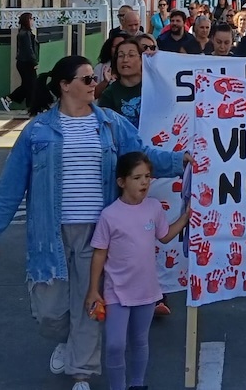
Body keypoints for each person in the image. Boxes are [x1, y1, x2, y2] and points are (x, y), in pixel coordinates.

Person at [0, 56, 188, 390]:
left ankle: (81, 373)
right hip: (51, 233)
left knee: (89, 303)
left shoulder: (110, 124)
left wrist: (180, 160)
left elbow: (143, 157)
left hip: (99, 232)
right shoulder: (38, 131)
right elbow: (10, 184)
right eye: (88, 79)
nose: (95, 84)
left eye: (95, 78)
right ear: (65, 86)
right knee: (49, 309)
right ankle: (68, 341)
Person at [86, 152, 191, 390]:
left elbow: (164, 236)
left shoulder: (153, 208)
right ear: (122, 182)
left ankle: (137, 384)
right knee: (115, 344)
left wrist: (185, 219)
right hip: (116, 292)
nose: (144, 182)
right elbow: (99, 253)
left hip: (146, 290)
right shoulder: (109, 215)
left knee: (140, 340)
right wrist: (94, 290)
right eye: (137, 178)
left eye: (147, 177)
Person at [98, 39, 143, 128]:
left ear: (142, 59)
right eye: (121, 56)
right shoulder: (109, 94)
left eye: (131, 55)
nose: (125, 60)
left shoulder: (153, 86)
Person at [1, 12, 40, 112]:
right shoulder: (25, 33)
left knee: (29, 85)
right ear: (27, 20)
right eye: (31, 19)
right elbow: (29, 49)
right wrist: (34, 62)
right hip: (26, 62)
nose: (32, 21)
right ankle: (9, 99)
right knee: (31, 84)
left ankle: (28, 105)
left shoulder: (25, 32)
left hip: (24, 62)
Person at [94, 33, 129, 99]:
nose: (118, 49)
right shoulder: (100, 68)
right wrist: (105, 82)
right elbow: (94, 95)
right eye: (115, 46)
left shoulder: (135, 67)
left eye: (121, 45)